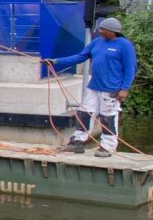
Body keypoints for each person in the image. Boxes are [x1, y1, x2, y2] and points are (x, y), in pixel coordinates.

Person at [50, 15, 136, 156]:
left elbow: (130, 68)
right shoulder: (96, 43)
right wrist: (55, 62)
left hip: (111, 89)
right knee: (85, 113)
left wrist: (125, 88)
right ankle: (78, 141)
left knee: (108, 117)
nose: (100, 31)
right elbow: (80, 57)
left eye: (103, 29)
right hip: (94, 86)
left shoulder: (125, 45)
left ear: (113, 31)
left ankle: (108, 147)